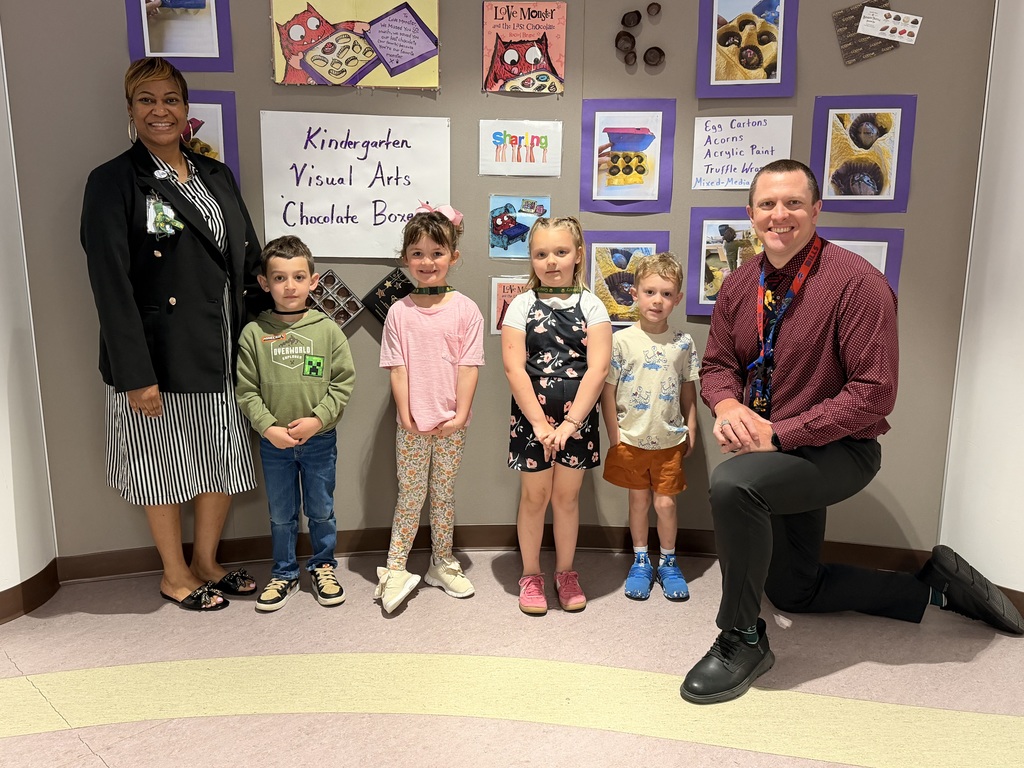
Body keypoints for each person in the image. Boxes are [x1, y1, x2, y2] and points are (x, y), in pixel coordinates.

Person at [680, 158, 1024, 705]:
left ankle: (741, 638)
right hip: (774, 451)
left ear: (817, 209)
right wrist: (725, 406)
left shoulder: (858, 284)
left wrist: (778, 434)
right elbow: (718, 363)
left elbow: (873, 395)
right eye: (767, 204)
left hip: (840, 450)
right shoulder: (740, 285)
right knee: (794, 590)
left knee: (733, 485)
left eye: (793, 203)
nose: (779, 215)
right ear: (750, 215)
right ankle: (930, 586)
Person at [81, 57, 264, 611]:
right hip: (156, 355)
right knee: (160, 471)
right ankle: (174, 572)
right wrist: (136, 373)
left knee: (219, 462)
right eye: (146, 100)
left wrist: (264, 339)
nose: (160, 110)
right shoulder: (114, 181)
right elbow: (110, 285)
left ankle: (207, 561)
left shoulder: (216, 175)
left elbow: (248, 260)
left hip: (221, 345)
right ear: (131, 111)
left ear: (187, 110)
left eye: (170, 100)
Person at [235, 236, 356, 613]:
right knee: (281, 514)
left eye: (298, 277)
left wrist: (318, 418)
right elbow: (246, 390)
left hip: (319, 440)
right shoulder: (254, 334)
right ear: (264, 283)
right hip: (274, 444)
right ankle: (284, 573)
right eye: (280, 278)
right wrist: (268, 428)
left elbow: (343, 383)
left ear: (313, 281)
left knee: (321, 509)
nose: (289, 286)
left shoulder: (328, 331)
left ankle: (323, 566)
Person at [375, 207, 485, 614]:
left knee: (442, 493)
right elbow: (398, 368)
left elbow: (469, 365)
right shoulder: (399, 312)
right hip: (413, 424)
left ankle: (443, 561)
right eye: (417, 253)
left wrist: (459, 415)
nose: (427, 262)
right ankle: (396, 567)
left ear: (453, 256)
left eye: (436, 252)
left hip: (452, 424)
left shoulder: (466, 310)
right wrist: (405, 415)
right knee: (411, 494)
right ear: (405, 257)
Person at [502, 217, 613, 615]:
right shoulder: (521, 304)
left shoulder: (592, 305)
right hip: (532, 416)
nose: (551, 261)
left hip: (577, 419)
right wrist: (538, 423)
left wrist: (569, 424)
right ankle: (531, 574)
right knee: (535, 496)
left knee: (566, 498)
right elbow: (515, 368)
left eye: (561, 252)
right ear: (531, 259)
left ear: (578, 255)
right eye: (541, 253)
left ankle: (565, 572)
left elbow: (598, 369)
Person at [600, 253, 699, 601]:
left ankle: (668, 562)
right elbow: (607, 391)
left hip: (669, 440)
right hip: (631, 439)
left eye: (667, 293)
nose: (658, 300)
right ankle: (641, 560)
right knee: (638, 502)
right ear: (635, 293)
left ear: (677, 298)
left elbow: (689, 388)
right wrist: (614, 435)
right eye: (650, 291)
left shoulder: (683, 342)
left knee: (667, 505)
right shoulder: (620, 341)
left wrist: (692, 427)